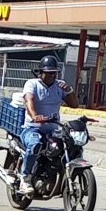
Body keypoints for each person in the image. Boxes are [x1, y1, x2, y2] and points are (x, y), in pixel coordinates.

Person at [18, 55, 79, 195]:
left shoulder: (60, 85)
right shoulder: (32, 84)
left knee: (71, 144)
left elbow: (74, 104)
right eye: (49, 72)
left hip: (53, 129)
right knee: (35, 144)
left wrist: (69, 91)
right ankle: (25, 178)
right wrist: (35, 116)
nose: (53, 75)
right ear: (41, 73)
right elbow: (29, 100)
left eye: (55, 72)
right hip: (32, 128)